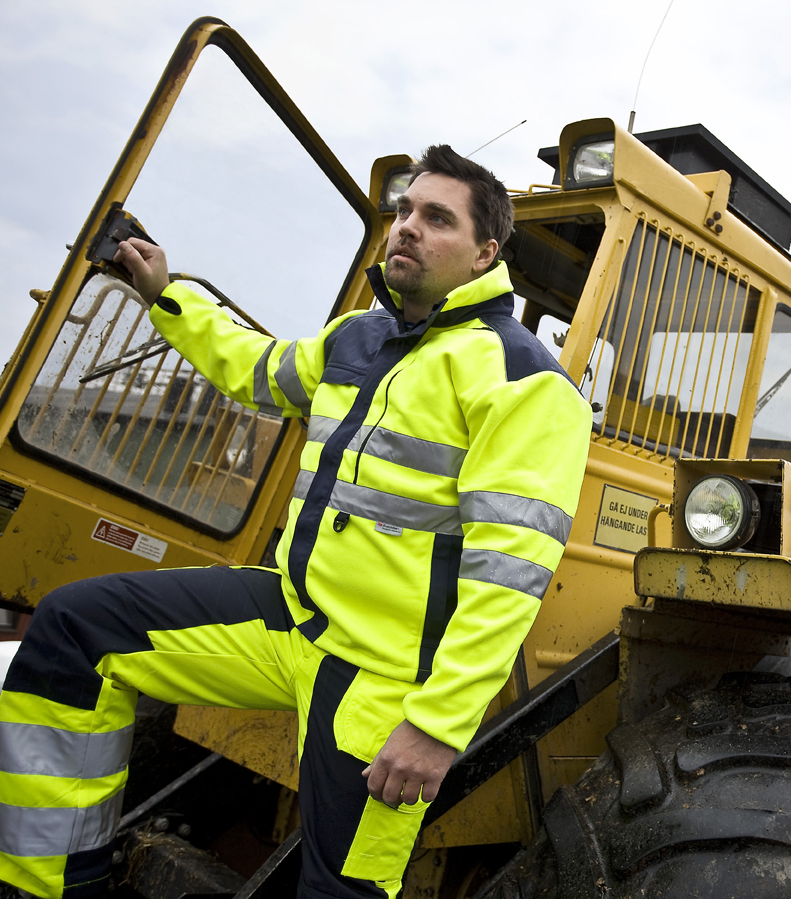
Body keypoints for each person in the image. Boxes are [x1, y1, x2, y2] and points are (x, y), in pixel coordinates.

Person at [0, 147, 593, 899]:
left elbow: (508, 573)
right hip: (291, 615)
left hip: (381, 676)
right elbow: (258, 369)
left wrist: (439, 725)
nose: (407, 227)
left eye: (435, 218)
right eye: (404, 212)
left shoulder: (526, 381)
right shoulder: (357, 339)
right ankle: (54, 884)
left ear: (485, 252)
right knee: (75, 633)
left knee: (339, 890)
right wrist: (165, 294)